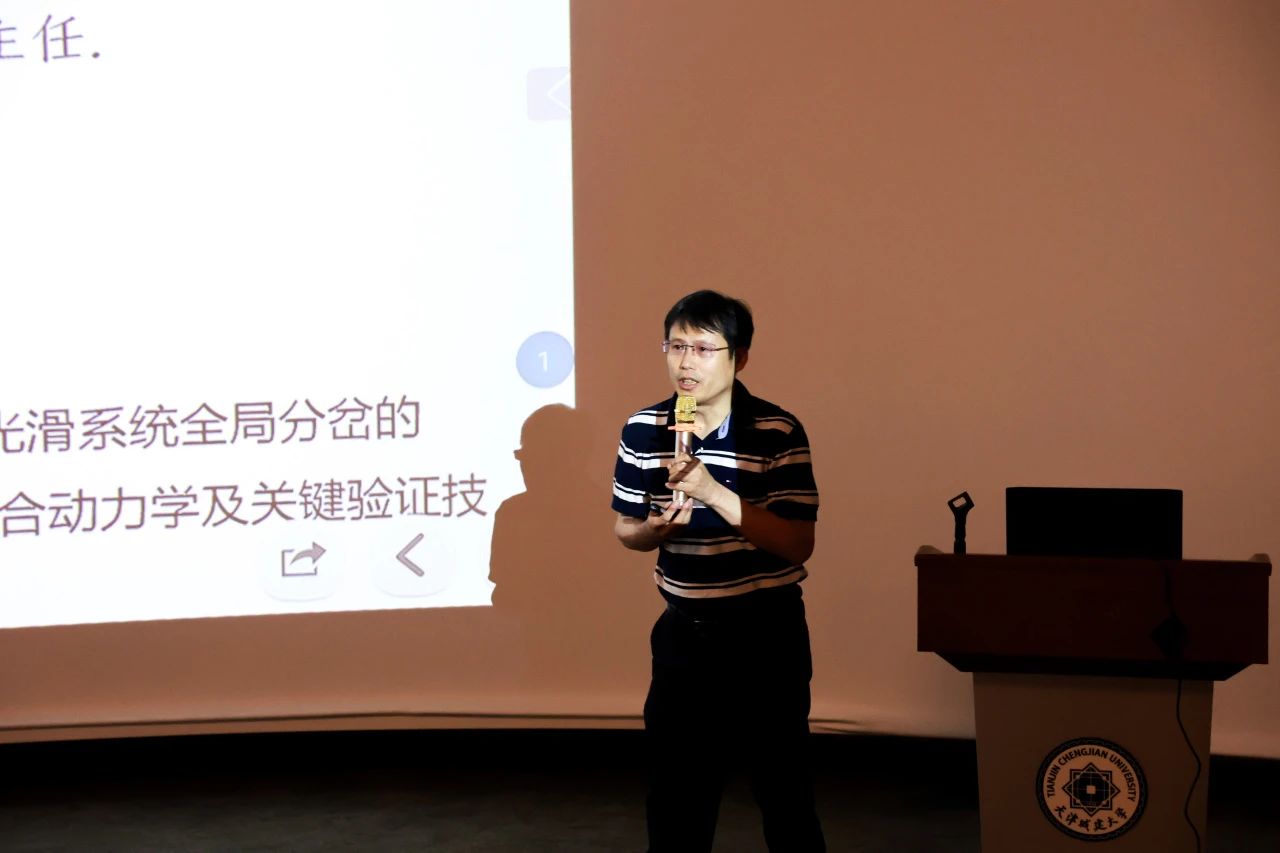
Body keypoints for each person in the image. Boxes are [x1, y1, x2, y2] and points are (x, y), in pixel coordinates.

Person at [611, 290, 825, 852]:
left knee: (785, 795)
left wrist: (713, 492)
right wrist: (653, 531)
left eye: (704, 349)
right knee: (676, 800)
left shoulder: (777, 431)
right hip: (685, 636)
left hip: (767, 635)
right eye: (676, 346)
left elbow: (797, 544)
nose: (686, 362)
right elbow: (625, 529)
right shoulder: (643, 428)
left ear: (740, 357)